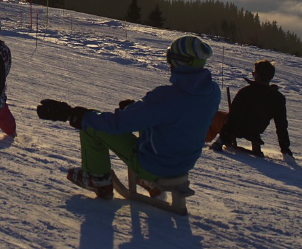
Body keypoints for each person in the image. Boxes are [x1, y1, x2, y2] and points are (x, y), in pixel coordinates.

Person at [36, 35, 221, 199]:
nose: (169, 65)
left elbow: (119, 124)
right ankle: (147, 182)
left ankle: (98, 180)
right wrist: (137, 108)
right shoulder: (212, 92)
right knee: (158, 125)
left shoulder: (167, 97)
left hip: (155, 165)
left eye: (169, 59)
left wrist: (73, 114)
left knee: (91, 123)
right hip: (183, 164)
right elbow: (180, 117)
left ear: (179, 62)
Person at [211, 59, 292, 159]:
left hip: (238, 129)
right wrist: (285, 149)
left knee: (215, 116)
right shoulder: (278, 98)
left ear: (257, 75)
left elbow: (233, 118)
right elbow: (281, 126)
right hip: (257, 130)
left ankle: (201, 140)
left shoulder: (246, 92)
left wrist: (221, 139)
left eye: (254, 73)